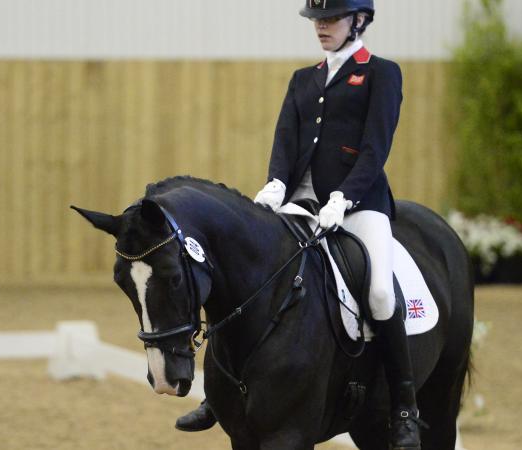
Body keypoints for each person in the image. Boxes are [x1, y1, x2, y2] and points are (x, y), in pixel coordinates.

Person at [176, 1, 422, 448]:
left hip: (360, 203)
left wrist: (344, 196)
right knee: (247, 274)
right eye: (317, 20)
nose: (321, 27)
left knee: (382, 290)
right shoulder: (302, 79)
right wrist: (275, 183)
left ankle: (404, 406)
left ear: (359, 21)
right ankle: (220, 393)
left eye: (330, 19)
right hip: (300, 204)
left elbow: (375, 147)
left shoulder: (381, 73)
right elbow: (285, 139)